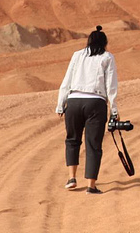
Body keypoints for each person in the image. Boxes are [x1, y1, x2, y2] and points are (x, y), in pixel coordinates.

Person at [56, 25, 119, 195]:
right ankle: (91, 186)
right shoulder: (107, 57)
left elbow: (66, 80)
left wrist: (60, 104)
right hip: (95, 102)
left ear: (88, 41)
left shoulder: (77, 55)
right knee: (93, 144)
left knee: (72, 139)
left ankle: (71, 178)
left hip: (74, 101)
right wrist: (114, 109)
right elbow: (111, 85)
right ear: (105, 42)